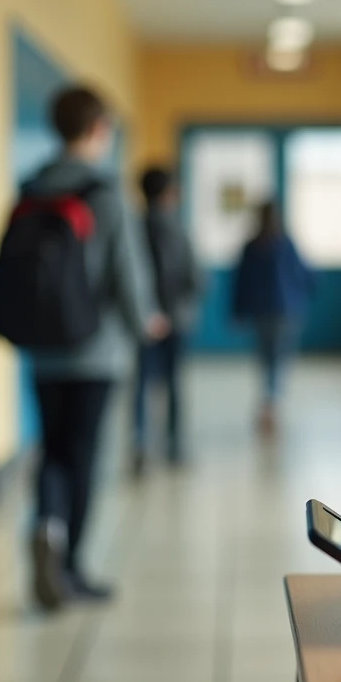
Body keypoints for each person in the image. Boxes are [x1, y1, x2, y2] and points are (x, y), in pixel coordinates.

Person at [23, 85, 167, 610]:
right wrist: (147, 320)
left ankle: (44, 523)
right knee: (82, 455)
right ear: (97, 129)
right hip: (95, 351)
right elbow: (128, 274)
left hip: (42, 349)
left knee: (51, 449)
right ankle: (71, 568)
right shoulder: (105, 194)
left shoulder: (32, 187)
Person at [133, 166, 202, 473]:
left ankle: (140, 446)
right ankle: (174, 447)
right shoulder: (177, 228)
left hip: (142, 320)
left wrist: (147, 311)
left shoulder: (133, 227)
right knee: (173, 383)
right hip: (174, 320)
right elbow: (194, 276)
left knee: (141, 385)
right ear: (168, 193)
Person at [231, 201, 315, 435]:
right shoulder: (285, 244)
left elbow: (241, 282)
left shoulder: (252, 246)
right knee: (279, 360)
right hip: (287, 312)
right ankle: (272, 403)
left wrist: (238, 310)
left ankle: (268, 402)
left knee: (267, 359)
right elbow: (305, 274)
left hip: (261, 312)